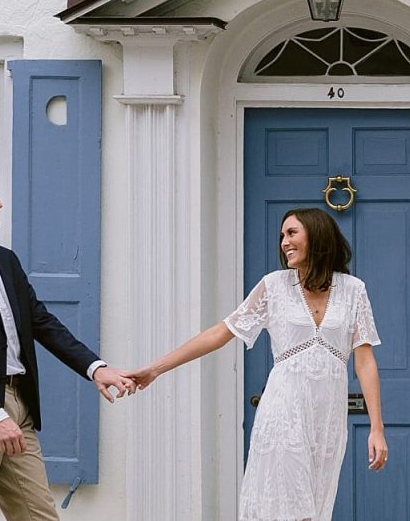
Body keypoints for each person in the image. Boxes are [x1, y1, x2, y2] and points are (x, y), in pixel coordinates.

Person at [126, 207, 387, 521]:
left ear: (317, 235)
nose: (283, 242)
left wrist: (377, 428)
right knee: (289, 509)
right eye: (281, 236)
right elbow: (220, 333)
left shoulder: (353, 291)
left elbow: (365, 362)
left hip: (328, 420)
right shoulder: (274, 286)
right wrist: (155, 369)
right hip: (283, 412)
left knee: (316, 510)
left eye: (291, 233)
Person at [0, 164, 136, 521]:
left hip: (20, 404)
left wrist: (96, 368)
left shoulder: (6, 260)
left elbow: (42, 323)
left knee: (39, 516)